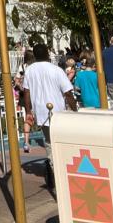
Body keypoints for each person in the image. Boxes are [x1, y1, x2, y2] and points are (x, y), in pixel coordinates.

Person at [22, 43, 77, 186]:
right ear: (47, 53)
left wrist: (28, 111)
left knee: (49, 142)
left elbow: (26, 92)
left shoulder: (29, 70)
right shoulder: (56, 70)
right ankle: (60, 169)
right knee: (62, 141)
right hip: (58, 112)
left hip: (41, 112)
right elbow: (68, 93)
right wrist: (75, 110)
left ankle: (54, 167)